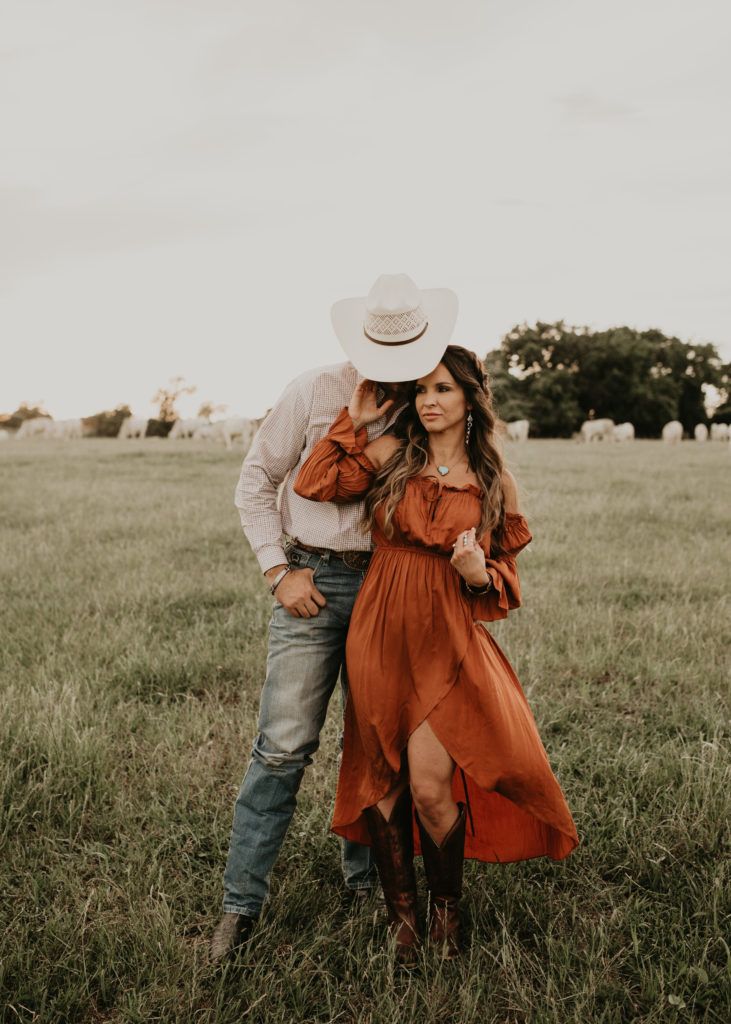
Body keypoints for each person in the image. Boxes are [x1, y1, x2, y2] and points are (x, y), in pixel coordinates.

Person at [293, 343, 580, 964]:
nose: (428, 401)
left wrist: (477, 572)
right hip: (378, 628)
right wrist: (360, 418)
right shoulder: (394, 454)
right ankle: (404, 920)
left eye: (443, 389)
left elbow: (501, 579)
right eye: (421, 390)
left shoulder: (494, 480)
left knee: (429, 785)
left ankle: (447, 912)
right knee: (383, 779)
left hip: (444, 635)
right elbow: (313, 482)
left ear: (470, 400)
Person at [210, 273, 460, 962]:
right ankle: (240, 905)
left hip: (392, 587)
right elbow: (256, 481)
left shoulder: (428, 399)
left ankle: (373, 885)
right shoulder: (313, 390)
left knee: (380, 746)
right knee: (284, 744)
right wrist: (275, 569)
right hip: (312, 580)